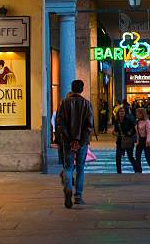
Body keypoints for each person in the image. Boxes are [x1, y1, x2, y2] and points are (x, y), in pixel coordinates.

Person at [57, 80, 94, 208]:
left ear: (72, 88)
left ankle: (68, 188)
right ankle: (78, 196)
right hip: (82, 143)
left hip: (68, 142)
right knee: (80, 168)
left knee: (68, 167)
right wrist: (79, 141)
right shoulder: (87, 104)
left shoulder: (64, 103)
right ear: (82, 89)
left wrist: (70, 140)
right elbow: (89, 126)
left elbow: (60, 123)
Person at [113, 106, 137, 173]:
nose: (122, 113)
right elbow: (116, 130)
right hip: (120, 140)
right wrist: (115, 132)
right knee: (118, 157)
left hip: (128, 140)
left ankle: (137, 169)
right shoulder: (116, 120)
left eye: (123, 111)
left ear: (125, 113)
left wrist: (130, 132)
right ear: (118, 113)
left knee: (130, 157)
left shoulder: (129, 120)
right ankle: (119, 171)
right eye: (120, 111)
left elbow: (134, 129)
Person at [134, 107, 150, 173]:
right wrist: (137, 141)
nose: (136, 114)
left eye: (138, 113)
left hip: (147, 140)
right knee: (137, 156)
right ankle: (139, 170)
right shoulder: (137, 121)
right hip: (140, 140)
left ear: (142, 114)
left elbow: (149, 131)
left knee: (147, 156)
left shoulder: (147, 121)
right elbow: (137, 132)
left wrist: (148, 141)